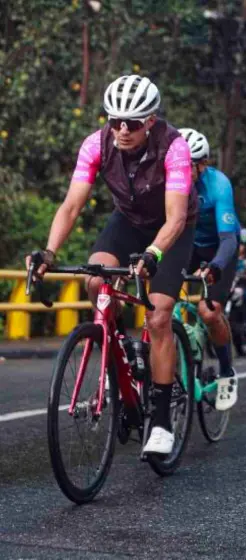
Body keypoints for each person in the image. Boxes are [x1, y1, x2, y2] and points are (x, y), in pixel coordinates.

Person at [27, 75, 196, 455]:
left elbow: (175, 217)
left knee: (158, 316)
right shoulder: (96, 144)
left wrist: (154, 254)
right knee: (94, 280)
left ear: (149, 121)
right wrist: (49, 252)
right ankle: (118, 348)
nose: (122, 130)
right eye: (114, 120)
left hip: (172, 229)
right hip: (128, 222)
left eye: (132, 123)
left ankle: (162, 420)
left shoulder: (174, 147)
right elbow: (72, 206)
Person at [180, 127, 240, 410]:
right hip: (186, 247)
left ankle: (227, 371)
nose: (179, 171)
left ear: (202, 165)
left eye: (187, 166)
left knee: (208, 311)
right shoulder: (167, 181)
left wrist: (215, 266)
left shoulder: (218, 185)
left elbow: (228, 239)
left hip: (219, 247)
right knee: (159, 308)